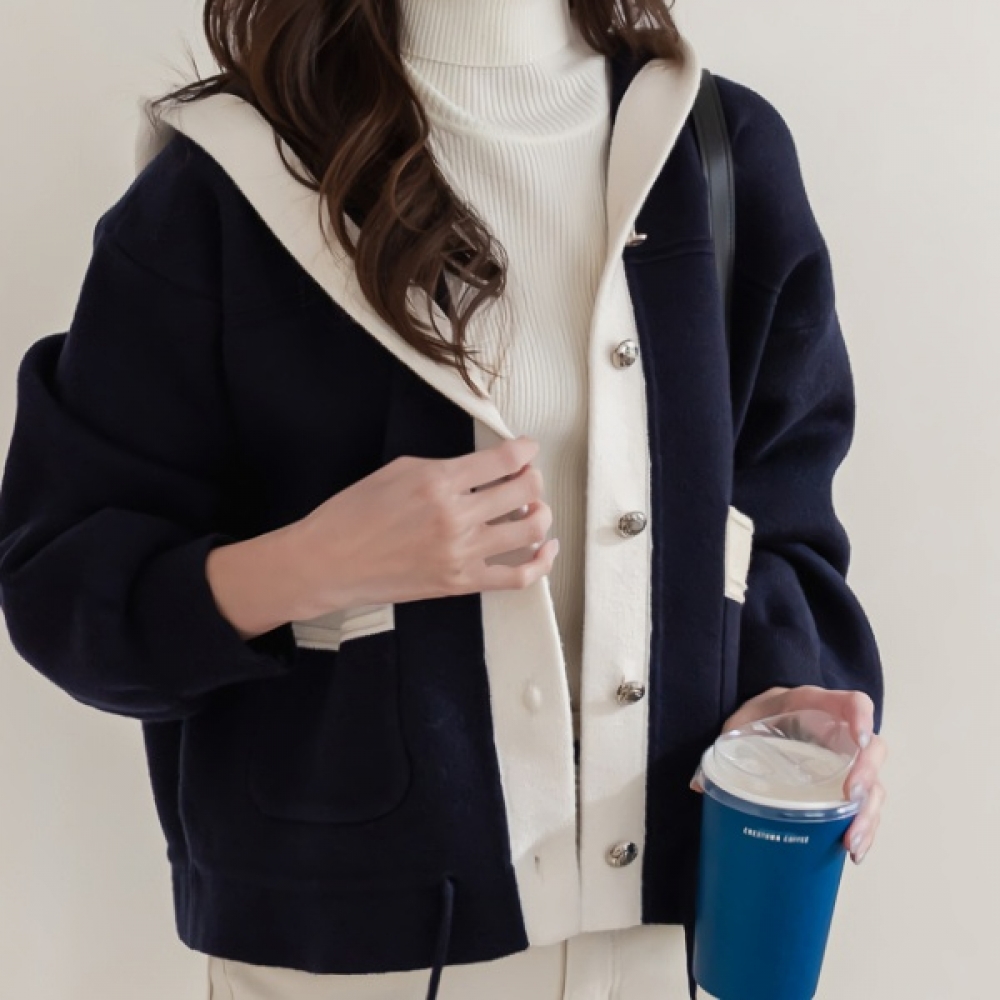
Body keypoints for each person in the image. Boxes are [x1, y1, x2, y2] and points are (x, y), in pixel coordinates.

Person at [0, 1, 887, 998]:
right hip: (346, 958)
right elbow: (62, 590)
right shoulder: (228, 179)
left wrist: (788, 699)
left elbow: (781, 525)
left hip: (676, 940)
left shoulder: (717, 153)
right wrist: (312, 564)